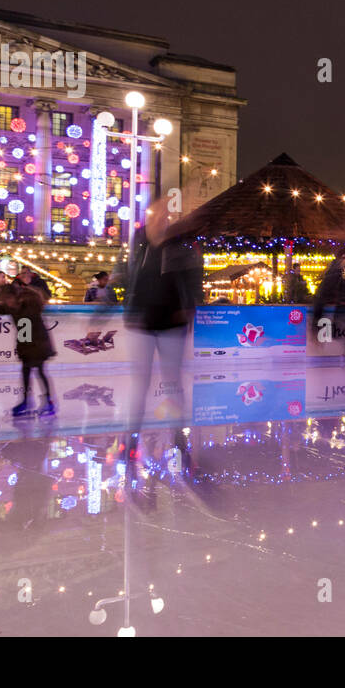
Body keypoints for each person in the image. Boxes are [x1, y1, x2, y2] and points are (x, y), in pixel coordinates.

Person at [123, 198, 203, 478]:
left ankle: (178, 438)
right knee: (139, 383)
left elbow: (194, 277)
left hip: (172, 322)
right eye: (156, 215)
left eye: (164, 216)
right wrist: (126, 303)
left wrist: (190, 305)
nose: (160, 220)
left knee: (173, 384)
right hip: (142, 321)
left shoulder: (180, 242)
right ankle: (130, 436)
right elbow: (129, 270)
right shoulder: (139, 239)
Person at [0, 283, 56, 417]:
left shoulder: (29, 305)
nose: (7, 302)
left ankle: (47, 402)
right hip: (27, 345)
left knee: (39, 371)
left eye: (9, 299)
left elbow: (28, 328)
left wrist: (28, 347)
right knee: (26, 371)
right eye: (5, 300)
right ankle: (27, 401)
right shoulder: (13, 307)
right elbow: (0, 309)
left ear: (15, 297)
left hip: (38, 344)